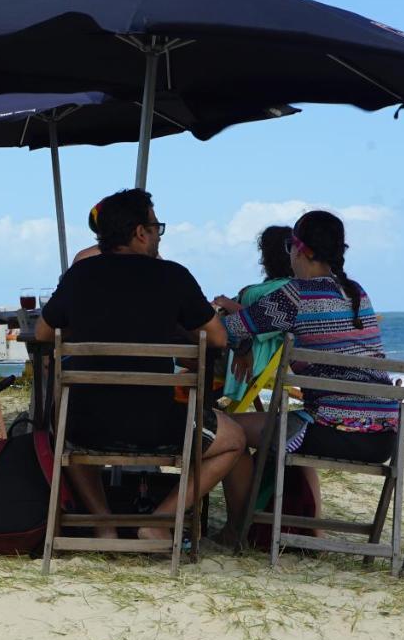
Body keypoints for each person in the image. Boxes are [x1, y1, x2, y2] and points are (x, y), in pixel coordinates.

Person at [35, 188, 247, 541]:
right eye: (156, 227)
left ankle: (104, 524)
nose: (157, 235)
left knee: (61, 424)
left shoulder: (79, 275)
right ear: (139, 232)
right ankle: (159, 522)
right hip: (160, 427)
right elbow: (219, 338)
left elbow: (44, 332)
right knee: (234, 439)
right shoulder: (173, 276)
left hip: (85, 426)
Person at [216, 211, 398, 536]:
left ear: (302, 250)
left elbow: (229, 329)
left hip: (332, 431)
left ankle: (237, 529)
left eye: (291, 246)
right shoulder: (357, 293)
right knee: (295, 423)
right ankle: (304, 527)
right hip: (383, 438)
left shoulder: (296, 294)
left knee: (229, 429)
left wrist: (231, 328)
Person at [218, 225, 293, 404]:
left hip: (250, 359)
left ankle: (201, 414)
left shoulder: (286, 291)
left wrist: (226, 303)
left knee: (185, 348)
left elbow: (255, 319)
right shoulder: (282, 286)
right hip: (241, 348)